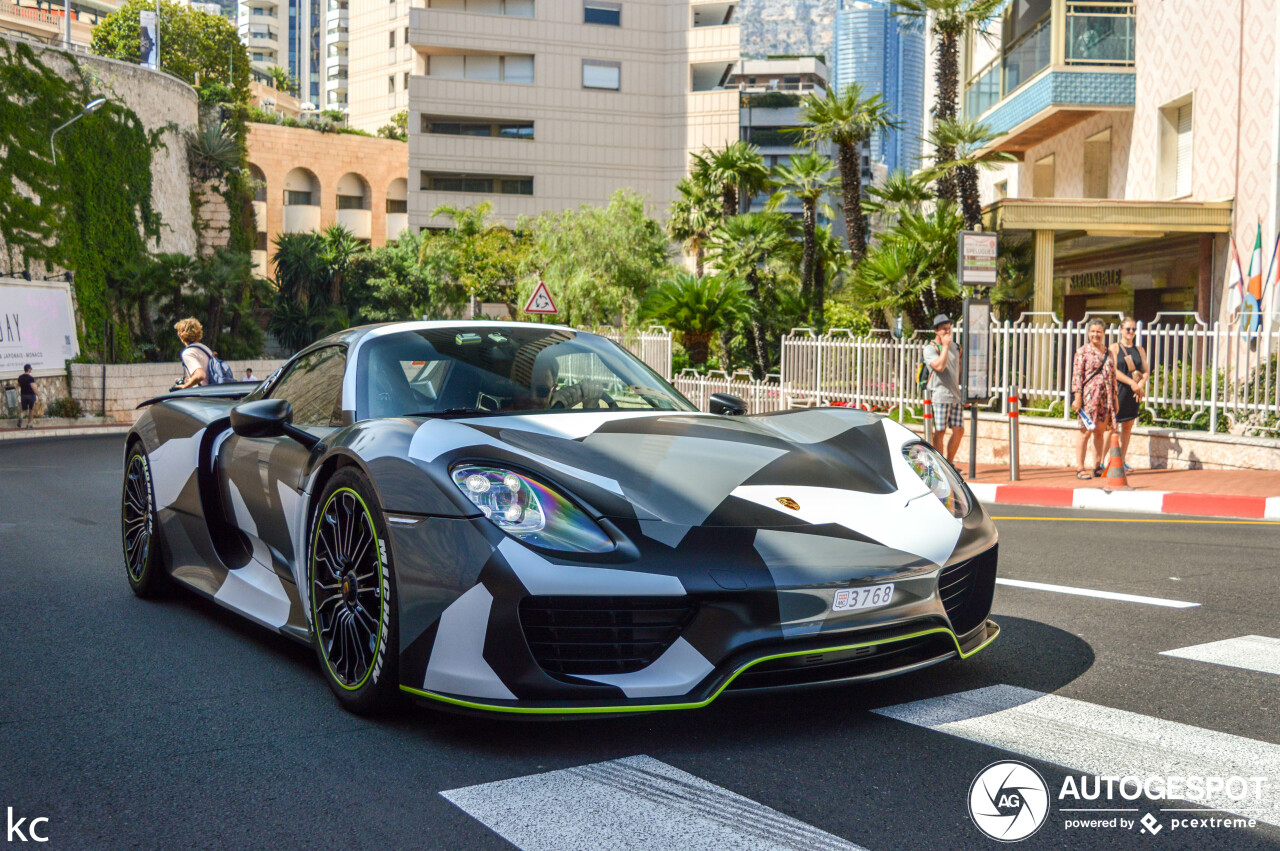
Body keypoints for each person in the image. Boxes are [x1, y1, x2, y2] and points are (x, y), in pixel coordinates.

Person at [1071, 318, 1117, 479]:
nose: (1095, 334)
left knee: (1100, 432)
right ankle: (1080, 467)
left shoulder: (1108, 352)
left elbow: (1113, 376)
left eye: (1098, 331)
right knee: (1085, 432)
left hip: (1106, 398)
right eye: (1092, 331)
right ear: (1088, 333)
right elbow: (1077, 376)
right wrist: (1077, 398)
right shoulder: (1082, 351)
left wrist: (1115, 400)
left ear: (1104, 333)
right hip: (1089, 398)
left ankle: (1097, 465)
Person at [924, 314, 964, 465]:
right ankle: (940, 466)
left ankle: (950, 464)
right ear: (936, 330)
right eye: (943, 330)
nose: (947, 332)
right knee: (940, 431)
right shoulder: (930, 349)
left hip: (955, 396)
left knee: (959, 430)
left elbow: (958, 371)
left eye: (949, 329)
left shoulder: (956, 347)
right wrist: (945, 346)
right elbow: (939, 367)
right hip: (940, 396)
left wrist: (963, 393)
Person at [1111, 316, 1148, 473]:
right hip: (1120, 390)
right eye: (1128, 329)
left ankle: (1122, 460)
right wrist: (1132, 383)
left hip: (1134, 393)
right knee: (1113, 426)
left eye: (1133, 329)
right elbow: (1113, 370)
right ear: (1121, 330)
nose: (1131, 332)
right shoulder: (1114, 347)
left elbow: (1146, 371)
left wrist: (1140, 384)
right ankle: (1109, 461)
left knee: (1128, 427)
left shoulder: (1140, 350)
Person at [172, 318, 213, 390]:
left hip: (202, 395)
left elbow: (201, 375)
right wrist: (189, 381)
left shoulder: (188, 353)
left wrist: (185, 386)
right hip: (213, 392)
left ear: (181, 335)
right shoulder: (205, 348)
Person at [17, 364, 37, 429]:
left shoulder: (20, 377)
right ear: (28, 369)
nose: (31, 370)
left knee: (24, 410)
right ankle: (29, 425)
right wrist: (38, 395)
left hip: (23, 395)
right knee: (31, 410)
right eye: (30, 369)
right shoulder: (31, 378)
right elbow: (33, 387)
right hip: (31, 395)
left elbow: (18, 385)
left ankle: (21, 417)